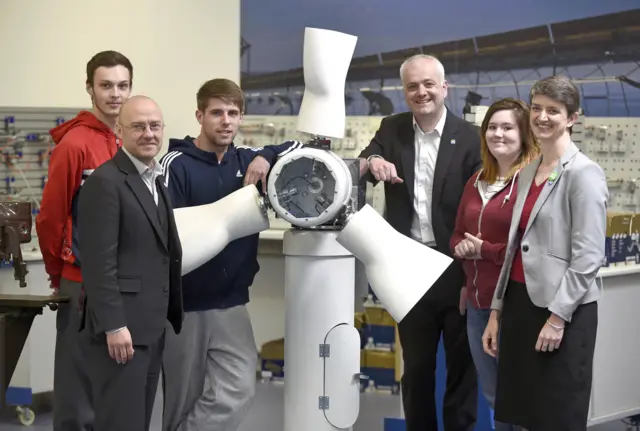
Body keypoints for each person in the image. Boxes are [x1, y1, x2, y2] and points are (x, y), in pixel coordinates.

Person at [159, 78, 302, 431]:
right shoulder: (174, 165)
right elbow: (164, 233)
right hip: (184, 306)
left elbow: (300, 148)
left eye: (233, 113)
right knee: (182, 399)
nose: (226, 121)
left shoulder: (246, 160)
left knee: (238, 389)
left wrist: (267, 156)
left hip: (231, 304)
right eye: (217, 113)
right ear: (200, 115)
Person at [359, 54, 482, 431]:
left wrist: (472, 276)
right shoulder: (392, 128)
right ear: (404, 91)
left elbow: (483, 205)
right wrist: (373, 160)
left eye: (429, 84)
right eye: (412, 86)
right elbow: (361, 163)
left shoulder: (472, 138)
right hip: (408, 270)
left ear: (445, 88)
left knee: (463, 373)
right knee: (416, 372)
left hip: (455, 270)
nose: (421, 92)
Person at [482, 75, 608, 430]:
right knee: (526, 414)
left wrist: (557, 317)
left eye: (554, 111)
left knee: (557, 415)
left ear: (572, 117)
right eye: (536, 108)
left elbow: (588, 257)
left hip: (563, 312)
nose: (542, 117)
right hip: (522, 305)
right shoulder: (528, 172)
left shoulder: (584, 174)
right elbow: (514, 249)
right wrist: (496, 311)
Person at [35, 50, 133, 431]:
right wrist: (58, 274)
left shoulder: (130, 140)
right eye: (106, 85)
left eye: (122, 85)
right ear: (89, 88)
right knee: (79, 393)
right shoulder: (75, 144)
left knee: (116, 388)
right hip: (81, 282)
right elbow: (51, 217)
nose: (115, 94)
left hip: (123, 282)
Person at [76, 95, 183, 431]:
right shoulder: (105, 183)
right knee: (120, 422)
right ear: (120, 131)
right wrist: (113, 325)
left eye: (154, 126)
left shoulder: (153, 179)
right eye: (138, 126)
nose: (148, 133)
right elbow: (97, 262)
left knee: (137, 422)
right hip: (122, 331)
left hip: (150, 327)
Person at [450, 98, 538, 431]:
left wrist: (484, 250)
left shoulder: (533, 183)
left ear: (524, 133)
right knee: (494, 397)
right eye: (492, 127)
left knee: (521, 398)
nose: (497, 134)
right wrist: (462, 248)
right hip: (477, 304)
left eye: (507, 127)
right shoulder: (476, 181)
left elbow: (531, 250)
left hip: (516, 303)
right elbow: (458, 231)